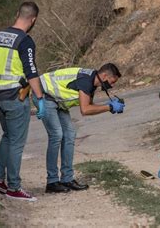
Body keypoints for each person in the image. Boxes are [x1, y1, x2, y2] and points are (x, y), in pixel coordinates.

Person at [0, 1, 45, 201]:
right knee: (17, 142)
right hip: (14, 97)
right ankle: (14, 187)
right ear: (33, 19)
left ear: (17, 13)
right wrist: (40, 99)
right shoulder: (25, 41)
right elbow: (32, 72)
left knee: (8, 136)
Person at [39, 63, 125, 193]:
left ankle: (67, 179)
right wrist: (110, 107)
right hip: (44, 96)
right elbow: (85, 110)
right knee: (57, 135)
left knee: (69, 134)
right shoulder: (86, 81)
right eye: (112, 82)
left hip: (57, 101)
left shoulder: (91, 82)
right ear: (104, 75)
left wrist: (108, 106)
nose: (112, 85)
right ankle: (52, 182)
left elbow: (89, 105)